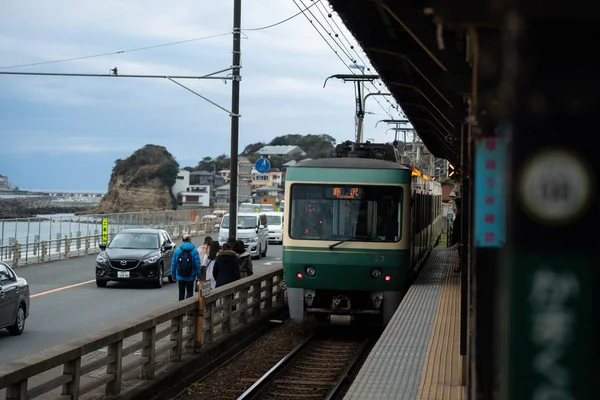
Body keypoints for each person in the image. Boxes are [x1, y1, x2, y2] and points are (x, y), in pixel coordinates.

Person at [170, 234, 201, 301]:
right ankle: (188, 309)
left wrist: (173, 274)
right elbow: (197, 265)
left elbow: (173, 264)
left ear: (182, 241)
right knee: (189, 292)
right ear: (190, 240)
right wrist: (199, 275)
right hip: (190, 276)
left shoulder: (177, 251)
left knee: (181, 293)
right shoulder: (194, 251)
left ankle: (181, 309)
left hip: (180, 276)